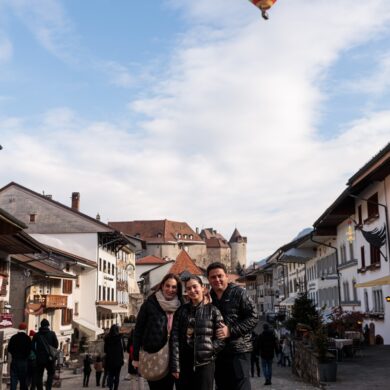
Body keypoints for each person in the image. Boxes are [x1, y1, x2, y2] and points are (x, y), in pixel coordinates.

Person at [207, 262, 258, 390]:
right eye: (213, 277)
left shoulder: (240, 293)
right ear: (208, 279)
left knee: (241, 386)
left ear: (227, 277)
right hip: (218, 352)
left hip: (239, 350)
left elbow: (253, 318)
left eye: (220, 276)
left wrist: (230, 330)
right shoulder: (208, 297)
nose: (217, 279)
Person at [171, 275, 224, 390]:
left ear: (203, 287)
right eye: (188, 288)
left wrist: (210, 350)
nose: (192, 291)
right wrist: (175, 366)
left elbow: (221, 338)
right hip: (184, 364)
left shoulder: (213, 311)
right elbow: (174, 340)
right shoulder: (181, 311)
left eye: (195, 287)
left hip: (205, 364)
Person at [133, 273, 182, 390]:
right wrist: (135, 357)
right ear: (162, 286)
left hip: (176, 358)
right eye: (167, 286)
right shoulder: (150, 304)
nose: (170, 289)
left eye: (174, 287)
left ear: (178, 289)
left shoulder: (182, 305)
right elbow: (138, 331)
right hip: (154, 355)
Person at [32, 318, 59, 390]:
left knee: (39, 375)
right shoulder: (52, 334)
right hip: (50, 358)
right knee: (50, 374)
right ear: (48, 325)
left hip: (39, 358)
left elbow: (32, 346)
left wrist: (37, 353)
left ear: (41, 325)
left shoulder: (36, 335)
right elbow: (56, 345)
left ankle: (40, 389)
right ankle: (48, 388)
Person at [8, 322, 32, 390]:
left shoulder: (13, 337)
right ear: (25, 329)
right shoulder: (27, 338)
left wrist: (14, 354)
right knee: (23, 381)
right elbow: (29, 350)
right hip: (23, 362)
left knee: (13, 379)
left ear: (19, 328)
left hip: (14, 360)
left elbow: (9, 349)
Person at [104, 324, 125, 390]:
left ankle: (110, 387)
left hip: (109, 360)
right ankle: (115, 388)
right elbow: (123, 348)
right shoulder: (120, 338)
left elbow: (105, 350)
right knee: (117, 376)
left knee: (110, 375)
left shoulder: (107, 338)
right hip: (118, 360)